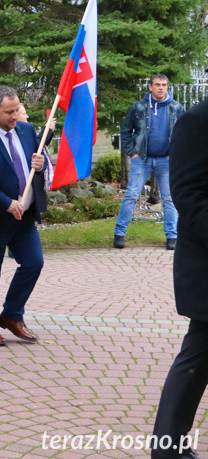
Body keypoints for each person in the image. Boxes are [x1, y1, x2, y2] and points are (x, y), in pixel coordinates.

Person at [150, 98, 207, 459]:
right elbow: (187, 194)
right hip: (206, 265)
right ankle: (167, 446)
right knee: (197, 356)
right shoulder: (197, 121)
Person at [0, 86, 46, 347]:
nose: (15, 116)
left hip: (24, 217)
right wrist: (5, 203)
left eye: (17, 110)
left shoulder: (27, 130)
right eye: (9, 112)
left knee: (33, 263)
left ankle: (12, 315)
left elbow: (37, 166)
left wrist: (40, 165)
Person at [114, 74, 183, 251]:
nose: (161, 88)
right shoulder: (139, 107)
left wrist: (175, 154)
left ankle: (172, 236)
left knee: (169, 199)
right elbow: (125, 131)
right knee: (131, 195)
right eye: (158, 84)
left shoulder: (176, 108)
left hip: (166, 161)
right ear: (150, 87)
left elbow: (185, 133)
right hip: (142, 160)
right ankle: (119, 233)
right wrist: (133, 153)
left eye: (164, 85)